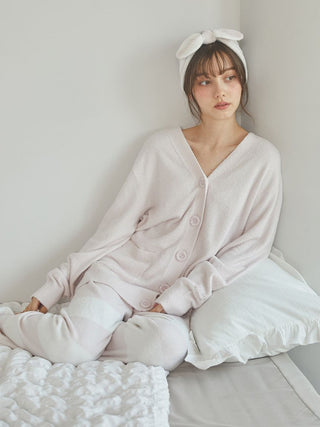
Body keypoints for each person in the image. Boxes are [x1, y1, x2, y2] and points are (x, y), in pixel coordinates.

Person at [0, 28, 282, 371]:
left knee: (165, 350)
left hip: (172, 300)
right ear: (191, 89)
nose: (220, 90)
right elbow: (115, 226)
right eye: (205, 81)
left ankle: (88, 336)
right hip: (118, 276)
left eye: (229, 77)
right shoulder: (162, 148)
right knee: (72, 347)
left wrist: (181, 296)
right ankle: (14, 324)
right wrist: (55, 285)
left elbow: (253, 246)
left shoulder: (262, 159)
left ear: (242, 82)